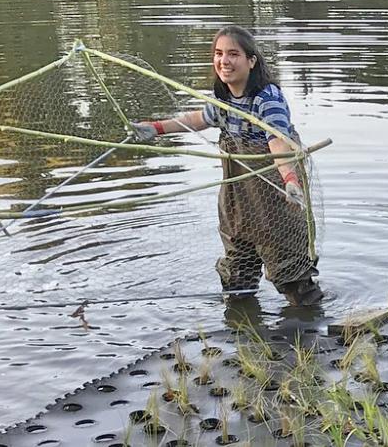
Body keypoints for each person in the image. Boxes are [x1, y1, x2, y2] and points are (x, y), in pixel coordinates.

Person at [134, 25, 323, 307]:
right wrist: (157, 128)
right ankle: (242, 331)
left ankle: (307, 332)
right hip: (239, 198)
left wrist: (290, 179)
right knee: (237, 275)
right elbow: (199, 119)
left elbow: (278, 143)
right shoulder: (224, 99)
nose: (224, 61)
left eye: (233, 54)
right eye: (219, 54)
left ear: (251, 61)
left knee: (290, 273)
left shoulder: (266, 99)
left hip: (276, 194)